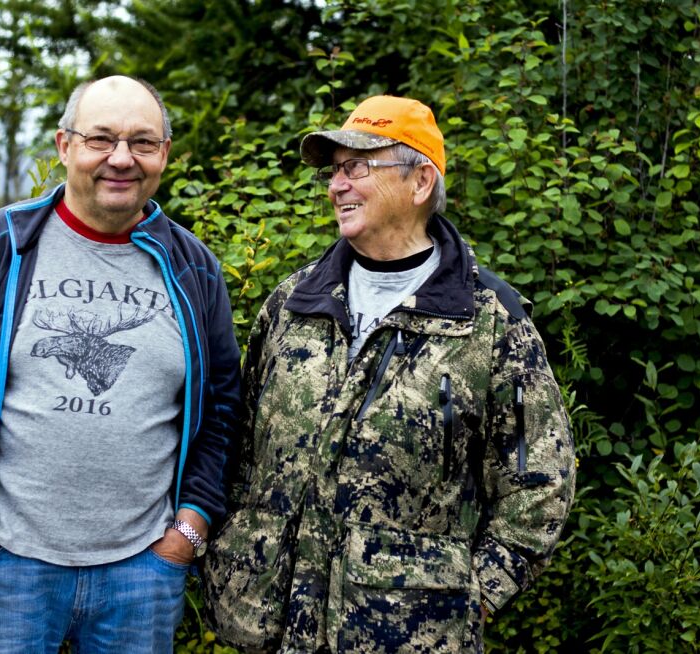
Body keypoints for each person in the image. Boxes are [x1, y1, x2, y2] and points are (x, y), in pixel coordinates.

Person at [203, 95, 576, 653]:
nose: (337, 185)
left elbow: (540, 482)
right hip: (272, 631)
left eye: (357, 167)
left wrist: (471, 594)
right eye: (334, 171)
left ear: (421, 181)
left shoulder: (487, 321)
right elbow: (237, 446)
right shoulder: (292, 303)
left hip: (406, 635)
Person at [0, 75, 241, 652]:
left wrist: (190, 527)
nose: (121, 159)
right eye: (101, 139)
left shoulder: (194, 268)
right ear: (64, 146)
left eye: (142, 142)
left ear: (165, 154)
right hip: (4, 566)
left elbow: (221, 408)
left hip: (141, 573)